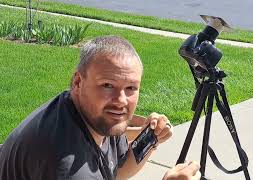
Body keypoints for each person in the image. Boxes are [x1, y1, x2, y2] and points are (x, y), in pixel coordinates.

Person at [0, 35, 200, 180]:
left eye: (131, 88)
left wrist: (151, 139)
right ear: (78, 82)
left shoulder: (89, 114)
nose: (120, 100)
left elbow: (117, 171)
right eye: (107, 85)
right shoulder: (67, 165)